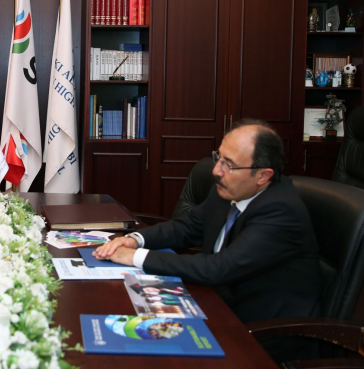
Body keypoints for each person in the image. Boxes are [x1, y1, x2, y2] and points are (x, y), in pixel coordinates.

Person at [93, 119, 321, 326]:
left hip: (260, 330)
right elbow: (186, 227)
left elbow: (219, 268)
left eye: (229, 164)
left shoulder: (281, 212)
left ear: (263, 176)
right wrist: (135, 240)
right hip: (216, 302)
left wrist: (135, 258)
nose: (216, 171)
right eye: (218, 157)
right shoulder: (229, 190)